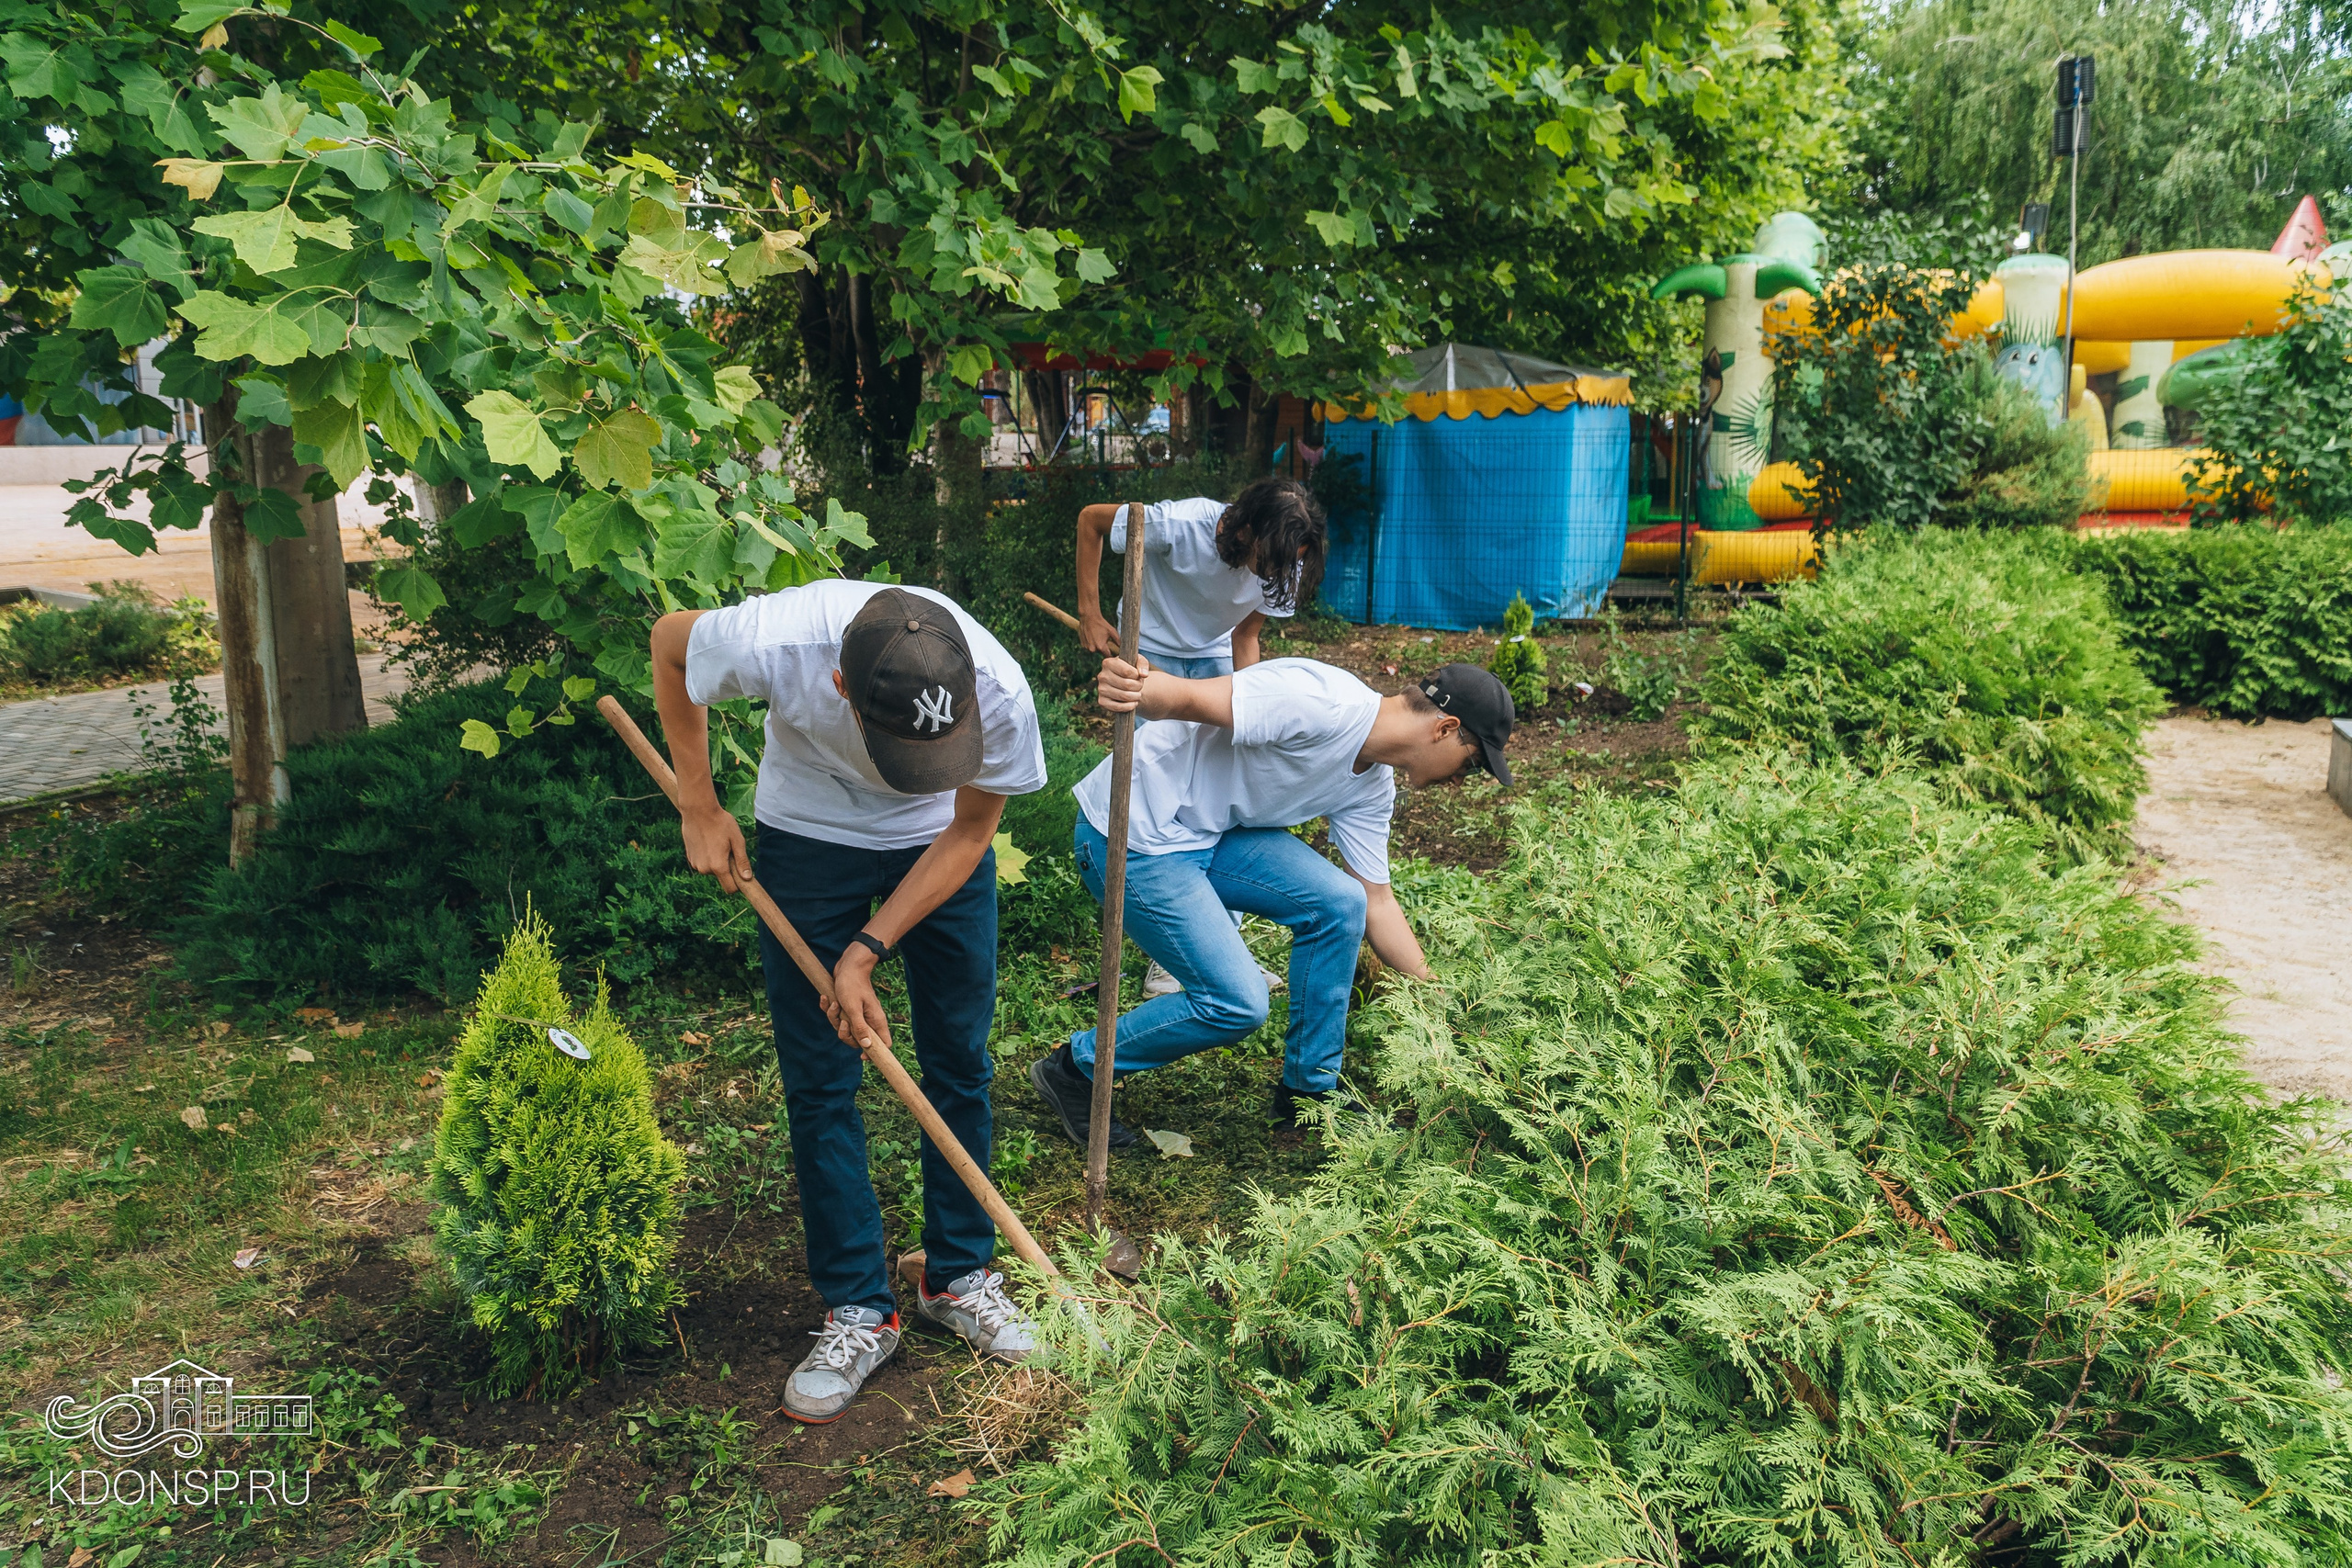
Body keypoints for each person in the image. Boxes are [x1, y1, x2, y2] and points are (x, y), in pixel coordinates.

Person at [650, 582, 1047, 1424]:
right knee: (822, 1078)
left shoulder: (1001, 688)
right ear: (838, 687)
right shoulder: (779, 642)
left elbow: (970, 830)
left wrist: (866, 950)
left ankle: (958, 1274)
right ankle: (859, 1308)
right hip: (810, 840)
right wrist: (699, 800)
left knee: (957, 1058)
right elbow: (669, 644)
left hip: (941, 847)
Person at [1028, 656, 1515, 1148]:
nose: (1462, 779)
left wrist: (1442, 999)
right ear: (1446, 728)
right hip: (1135, 833)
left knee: (1342, 903)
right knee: (1237, 1003)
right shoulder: (1320, 703)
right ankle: (1075, 1070)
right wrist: (1135, 685)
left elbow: (1376, 901)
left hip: (1208, 834)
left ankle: (1305, 1098)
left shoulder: (1372, 785)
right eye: (1472, 762)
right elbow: (1185, 698)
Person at [1073, 476, 1329, 998]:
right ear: (1247, 529)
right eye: (1276, 558)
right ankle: (1169, 960)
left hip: (1213, 653)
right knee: (1167, 798)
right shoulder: (1180, 524)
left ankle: (1222, 949)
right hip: (1151, 648)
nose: (1283, 571)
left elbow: (1246, 634)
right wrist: (1091, 613)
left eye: (1292, 562)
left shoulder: (1288, 554)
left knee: (1223, 791)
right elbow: (1090, 520)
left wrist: (1248, 708)